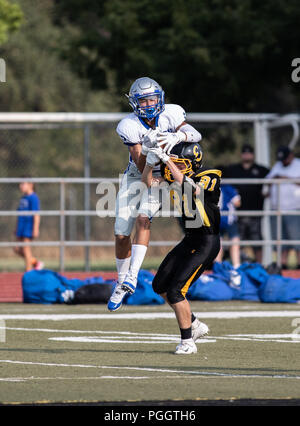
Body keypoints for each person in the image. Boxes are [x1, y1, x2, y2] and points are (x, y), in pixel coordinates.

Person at [108, 77, 202, 312]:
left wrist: (178, 136)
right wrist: (151, 153)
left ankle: (133, 275)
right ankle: (121, 282)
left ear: (159, 98)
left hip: (166, 173)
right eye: (143, 100)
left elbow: (195, 134)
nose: (149, 103)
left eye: (152, 98)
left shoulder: (171, 113)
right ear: (134, 102)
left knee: (143, 218)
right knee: (121, 232)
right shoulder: (128, 125)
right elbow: (143, 172)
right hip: (139, 174)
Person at [142, 142, 221, 354]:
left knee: (177, 290)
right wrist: (150, 164)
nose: (172, 166)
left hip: (207, 241)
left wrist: (167, 159)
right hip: (190, 239)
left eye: (179, 163)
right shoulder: (174, 176)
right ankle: (194, 324)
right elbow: (148, 183)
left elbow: (193, 189)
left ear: (192, 163)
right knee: (159, 285)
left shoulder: (210, 176)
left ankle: (188, 342)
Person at [227, 144, 269, 263]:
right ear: (241, 155)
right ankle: (238, 267)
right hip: (237, 213)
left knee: (257, 241)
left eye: (249, 153)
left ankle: (260, 266)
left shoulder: (261, 170)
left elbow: (271, 180)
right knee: (237, 242)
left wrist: (267, 192)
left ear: (253, 155)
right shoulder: (233, 170)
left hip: (255, 212)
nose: (247, 155)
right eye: (245, 153)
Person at [265, 146, 300, 269]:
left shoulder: (298, 165)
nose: (283, 162)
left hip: (294, 209)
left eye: (285, 159)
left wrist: (285, 178)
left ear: (290, 156)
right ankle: (283, 265)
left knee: (297, 240)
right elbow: (268, 180)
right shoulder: (277, 166)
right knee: (279, 241)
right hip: (277, 209)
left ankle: (298, 267)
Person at [14, 180, 43, 271]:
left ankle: (28, 272)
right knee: (17, 249)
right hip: (20, 227)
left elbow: (36, 214)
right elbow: (19, 214)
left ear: (31, 185)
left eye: (23, 184)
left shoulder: (33, 198)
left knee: (26, 249)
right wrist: (16, 227)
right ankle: (35, 263)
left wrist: (35, 228)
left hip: (28, 226)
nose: (21, 186)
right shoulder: (23, 198)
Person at [215, 166, 241, 269]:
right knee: (234, 242)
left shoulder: (212, 186)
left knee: (218, 245)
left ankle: (217, 265)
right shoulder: (228, 187)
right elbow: (237, 202)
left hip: (216, 219)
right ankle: (236, 265)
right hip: (229, 220)